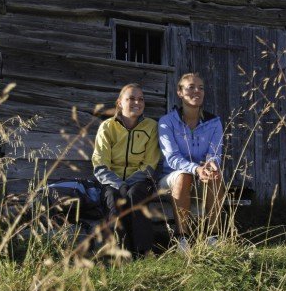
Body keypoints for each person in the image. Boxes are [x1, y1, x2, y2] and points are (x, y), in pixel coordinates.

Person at [92, 83, 160, 258]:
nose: (137, 102)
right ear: (119, 103)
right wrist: (118, 184)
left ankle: (143, 251)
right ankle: (119, 252)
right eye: (131, 98)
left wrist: (128, 185)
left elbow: (150, 163)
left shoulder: (151, 127)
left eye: (140, 99)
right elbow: (100, 163)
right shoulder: (107, 127)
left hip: (140, 180)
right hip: (111, 181)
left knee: (134, 195)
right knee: (113, 198)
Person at [158, 73, 225, 250]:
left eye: (201, 88)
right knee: (183, 176)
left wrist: (211, 164)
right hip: (171, 178)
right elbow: (172, 158)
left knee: (216, 175)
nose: (197, 91)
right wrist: (196, 169)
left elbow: (215, 152)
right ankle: (182, 238)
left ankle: (213, 236)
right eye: (191, 87)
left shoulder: (214, 122)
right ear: (180, 92)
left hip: (201, 175)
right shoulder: (167, 122)